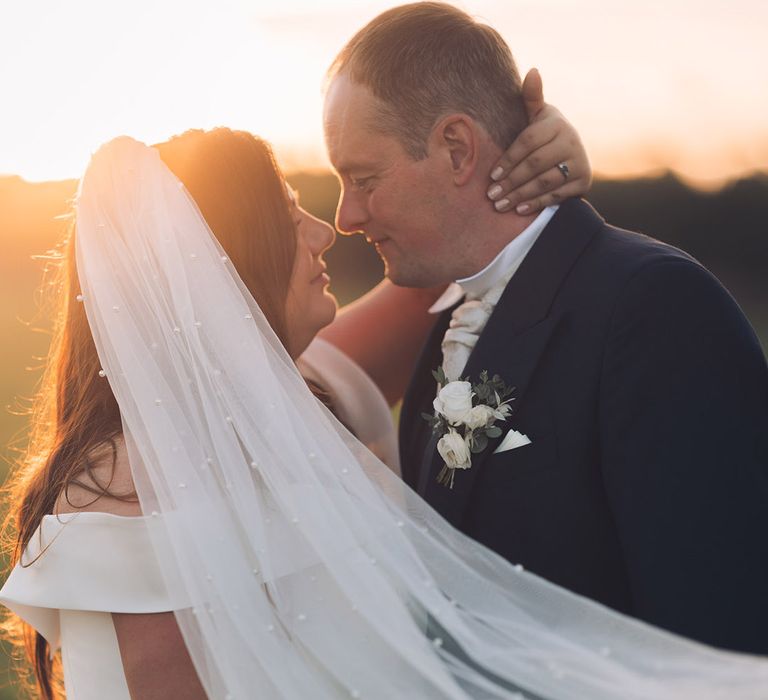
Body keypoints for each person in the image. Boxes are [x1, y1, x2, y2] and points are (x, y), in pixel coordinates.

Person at [0, 115, 592, 697]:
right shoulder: (121, 502)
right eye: (288, 217)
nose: (323, 231)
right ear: (218, 262)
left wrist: (527, 162)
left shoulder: (303, 396)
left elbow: (447, 263)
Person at [323, 1, 768, 657]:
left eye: (363, 178)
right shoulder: (444, 319)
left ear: (456, 148)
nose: (345, 216)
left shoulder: (655, 307)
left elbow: (717, 629)